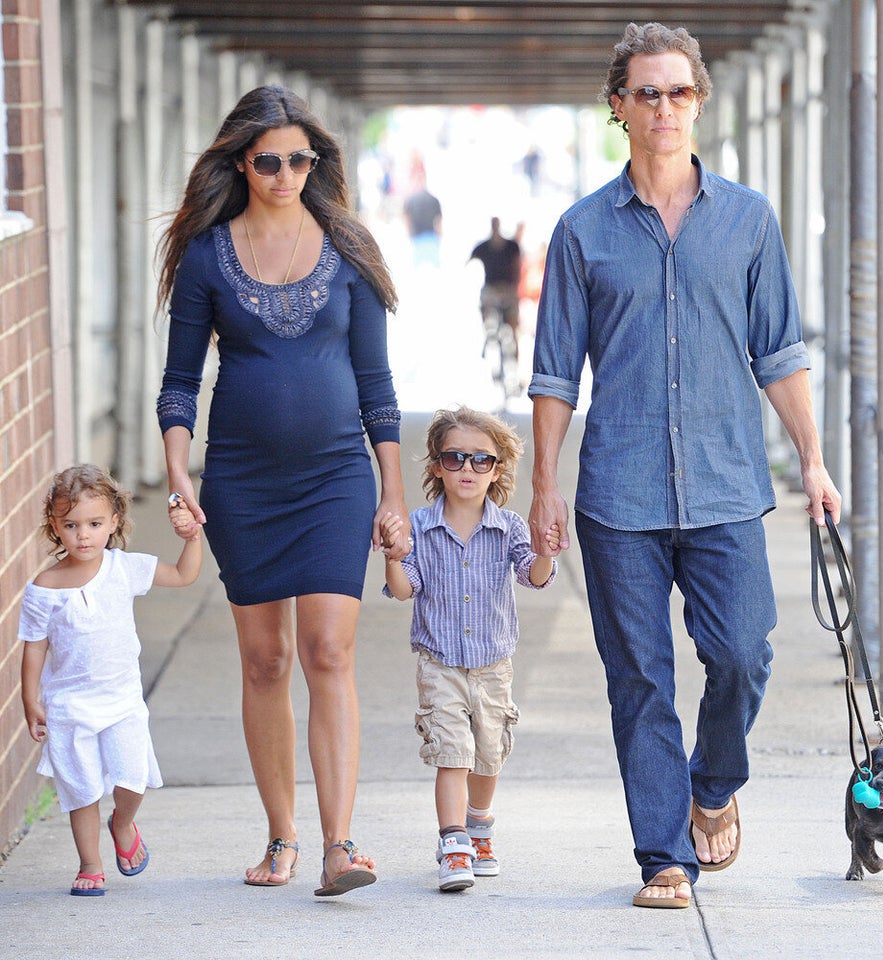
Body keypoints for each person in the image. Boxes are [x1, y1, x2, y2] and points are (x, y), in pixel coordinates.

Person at [526, 22, 842, 909]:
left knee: (743, 653)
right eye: (646, 93)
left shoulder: (748, 220)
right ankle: (664, 855)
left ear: (699, 100)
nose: (664, 107)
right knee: (640, 681)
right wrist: (544, 485)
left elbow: (778, 352)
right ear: (618, 107)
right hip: (618, 492)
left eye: (679, 91)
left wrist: (813, 462)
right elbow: (555, 373)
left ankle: (713, 782)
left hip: (727, 483)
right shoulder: (582, 230)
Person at [155, 85, 410, 896]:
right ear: (241, 161)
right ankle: (281, 837)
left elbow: (378, 386)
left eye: (302, 159)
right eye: (270, 160)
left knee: (328, 649)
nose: (287, 173)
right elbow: (178, 385)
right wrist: (176, 474)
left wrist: (391, 492)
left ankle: (341, 845)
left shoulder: (348, 247)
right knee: (264, 660)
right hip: (241, 482)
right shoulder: (206, 256)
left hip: (336, 477)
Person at [379, 407, 558, 892]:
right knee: (452, 753)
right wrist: (395, 558)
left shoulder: (510, 527)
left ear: (497, 470)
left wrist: (545, 550)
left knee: (487, 756)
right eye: (455, 458)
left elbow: (533, 577)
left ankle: (479, 826)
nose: (467, 470)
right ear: (437, 465)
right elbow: (403, 589)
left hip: (493, 666)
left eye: (481, 460)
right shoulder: (419, 527)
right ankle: (453, 842)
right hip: (440, 664)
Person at [18, 464, 202, 897]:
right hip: (69, 705)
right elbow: (34, 647)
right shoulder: (45, 587)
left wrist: (192, 537)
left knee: (130, 777)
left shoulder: (125, 568)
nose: (84, 535)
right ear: (54, 526)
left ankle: (122, 821)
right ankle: (90, 863)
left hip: (121, 700)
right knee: (81, 789)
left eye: (95, 524)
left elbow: (182, 575)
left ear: (115, 522)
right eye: (72, 525)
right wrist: (32, 700)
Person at [469, 216, 523, 343]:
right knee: (486, 310)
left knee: (513, 322)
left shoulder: (511, 246)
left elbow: (517, 266)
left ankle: (515, 345)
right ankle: (488, 336)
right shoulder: (483, 247)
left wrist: (515, 287)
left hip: (508, 289)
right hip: (491, 289)